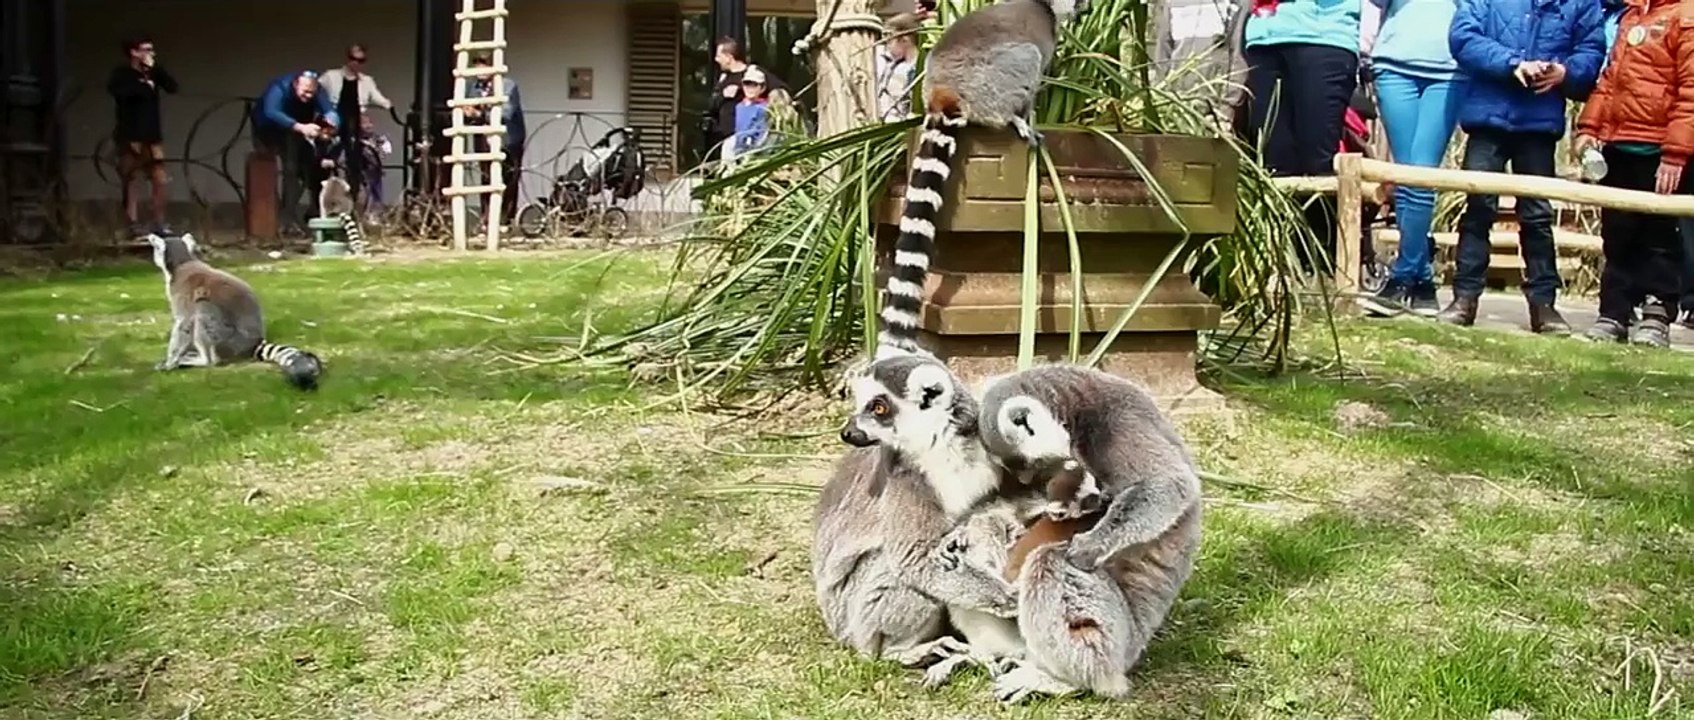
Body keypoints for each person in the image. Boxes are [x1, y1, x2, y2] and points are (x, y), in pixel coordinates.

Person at [1440, 0, 1606, 333]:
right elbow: (1463, 37)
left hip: (1538, 123)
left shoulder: (1582, 3)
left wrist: (1565, 73)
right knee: (1478, 207)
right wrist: (1512, 64)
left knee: (1537, 214)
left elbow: (1591, 51)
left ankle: (1544, 304)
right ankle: (1465, 297)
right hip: (1487, 117)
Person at [1572, 0, 1694, 347]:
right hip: (1619, 144)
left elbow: (1691, 90)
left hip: (1660, 149)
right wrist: (1590, 126)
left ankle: (1657, 314)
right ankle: (1614, 311)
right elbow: (1611, 79)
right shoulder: (1632, 15)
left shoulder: (1686, 17)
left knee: (1660, 237)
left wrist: (1676, 153)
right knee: (1618, 232)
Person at [1356, 0, 1463, 317]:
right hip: (1394, 64)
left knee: (1421, 173)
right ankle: (1423, 283)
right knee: (1406, 176)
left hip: (1450, 69)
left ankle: (1402, 277)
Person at [1240, 0, 1363, 273]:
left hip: (1322, 38)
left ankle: (1323, 265)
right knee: (1273, 159)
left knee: (1317, 159)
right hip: (1263, 39)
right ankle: (1279, 267)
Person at [250, 71, 339, 233]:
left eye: (311, 92)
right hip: (271, 129)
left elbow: (329, 110)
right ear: (296, 84)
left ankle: (305, 212)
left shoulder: (316, 90)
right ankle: (285, 218)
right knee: (290, 168)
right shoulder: (279, 87)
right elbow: (271, 112)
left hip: (297, 132)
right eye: (305, 91)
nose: (308, 95)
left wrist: (332, 121)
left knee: (311, 167)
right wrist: (300, 127)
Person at [108, 36, 179, 236]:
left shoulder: (154, 74)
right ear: (134, 52)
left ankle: (159, 221)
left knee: (159, 178)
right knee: (131, 179)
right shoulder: (122, 75)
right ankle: (131, 223)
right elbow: (120, 93)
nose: (150, 54)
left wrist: (155, 70)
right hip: (130, 135)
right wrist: (143, 86)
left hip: (152, 136)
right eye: (146, 49)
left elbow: (172, 87)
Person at [319, 44, 394, 206]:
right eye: (354, 59)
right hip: (335, 119)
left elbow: (377, 96)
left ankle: (356, 195)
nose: (357, 63)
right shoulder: (331, 76)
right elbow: (317, 91)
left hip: (355, 121)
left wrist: (387, 104)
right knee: (328, 152)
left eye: (361, 60)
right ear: (347, 59)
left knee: (359, 157)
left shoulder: (366, 81)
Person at [705, 37, 787, 166]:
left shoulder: (753, 73)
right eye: (746, 85)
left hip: (750, 139)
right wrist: (723, 96)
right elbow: (711, 106)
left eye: (718, 55)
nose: (716, 59)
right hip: (726, 138)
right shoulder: (724, 77)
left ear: (728, 56)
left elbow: (781, 91)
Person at [465, 54, 525, 228]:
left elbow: (506, 113)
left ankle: (505, 219)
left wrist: (479, 113)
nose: (480, 70)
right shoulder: (473, 86)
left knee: (507, 178)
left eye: (484, 65)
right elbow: (469, 109)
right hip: (483, 139)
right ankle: (487, 219)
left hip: (508, 139)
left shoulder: (507, 85)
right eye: (476, 65)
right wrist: (468, 112)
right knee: (485, 178)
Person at [875, 13, 922, 122]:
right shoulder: (891, 64)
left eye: (890, 37)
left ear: (904, 40)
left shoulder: (917, 69)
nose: (887, 44)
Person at [733, 66, 773, 161]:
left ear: (762, 88)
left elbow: (762, 133)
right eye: (747, 84)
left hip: (754, 152)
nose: (749, 88)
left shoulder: (765, 107)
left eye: (754, 85)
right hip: (738, 150)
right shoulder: (739, 106)